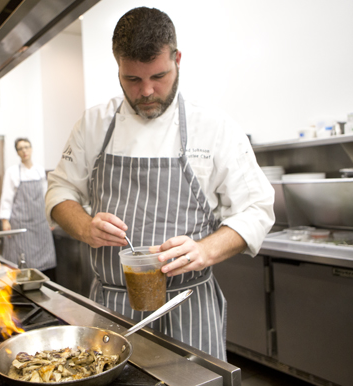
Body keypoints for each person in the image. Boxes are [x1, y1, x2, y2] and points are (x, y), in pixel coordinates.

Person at [45, 7, 274, 361]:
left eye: (159, 76)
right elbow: (59, 192)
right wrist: (85, 226)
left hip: (188, 304)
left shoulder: (213, 127)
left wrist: (205, 250)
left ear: (177, 59)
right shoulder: (93, 125)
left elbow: (257, 209)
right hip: (113, 309)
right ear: (118, 67)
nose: (147, 91)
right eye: (132, 80)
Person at [0, 138, 57, 279]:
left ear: (31, 149)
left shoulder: (40, 170)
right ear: (17, 152)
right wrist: (5, 220)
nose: (24, 151)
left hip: (40, 223)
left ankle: (46, 287)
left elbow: (46, 195)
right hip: (21, 224)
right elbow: (7, 198)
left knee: (45, 262)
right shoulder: (12, 172)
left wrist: (50, 218)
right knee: (21, 264)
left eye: (26, 147)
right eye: (20, 148)